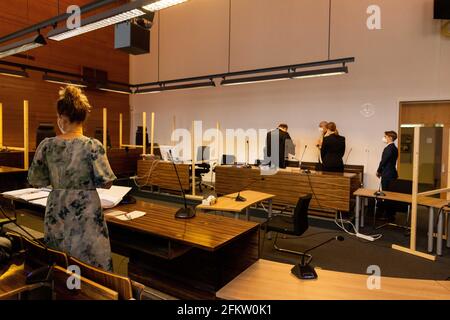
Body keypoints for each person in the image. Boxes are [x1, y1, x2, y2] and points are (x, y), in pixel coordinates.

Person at [28, 86, 117, 271]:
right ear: (82, 118)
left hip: (57, 210)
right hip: (86, 212)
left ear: (62, 118)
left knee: (60, 263)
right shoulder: (93, 146)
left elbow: (36, 180)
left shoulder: (47, 145)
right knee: (90, 265)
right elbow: (107, 182)